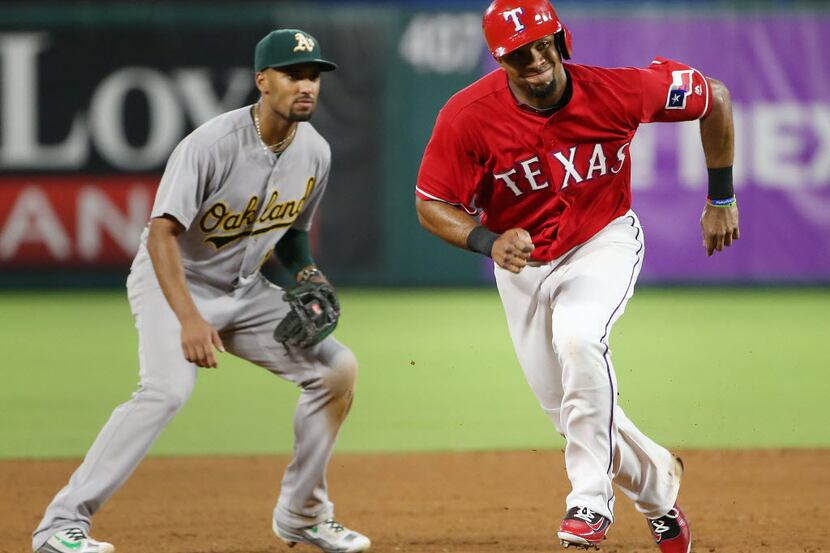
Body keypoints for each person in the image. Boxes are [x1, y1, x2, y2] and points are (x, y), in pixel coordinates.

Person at [32, 29, 371, 553]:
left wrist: (308, 276)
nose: (306, 85)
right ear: (262, 81)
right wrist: (190, 319)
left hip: (244, 287)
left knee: (336, 369)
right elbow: (162, 233)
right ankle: (60, 525)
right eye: (292, 74)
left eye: (313, 76)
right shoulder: (209, 145)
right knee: (166, 391)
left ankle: (302, 515)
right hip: (175, 279)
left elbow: (294, 238)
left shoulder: (316, 153)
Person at [415, 1, 737, 551]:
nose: (536, 59)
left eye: (543, 44)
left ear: (561, 40)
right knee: (572, 411)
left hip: (602, 241)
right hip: (523, 268)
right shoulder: (468, 116)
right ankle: (658, 488)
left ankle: (589, 501)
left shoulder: (620, 90)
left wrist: (721, 196)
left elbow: (716, 97)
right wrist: (487, 241)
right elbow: (430, 202)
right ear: (500, 60)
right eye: (519, 53)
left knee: (580, 337)